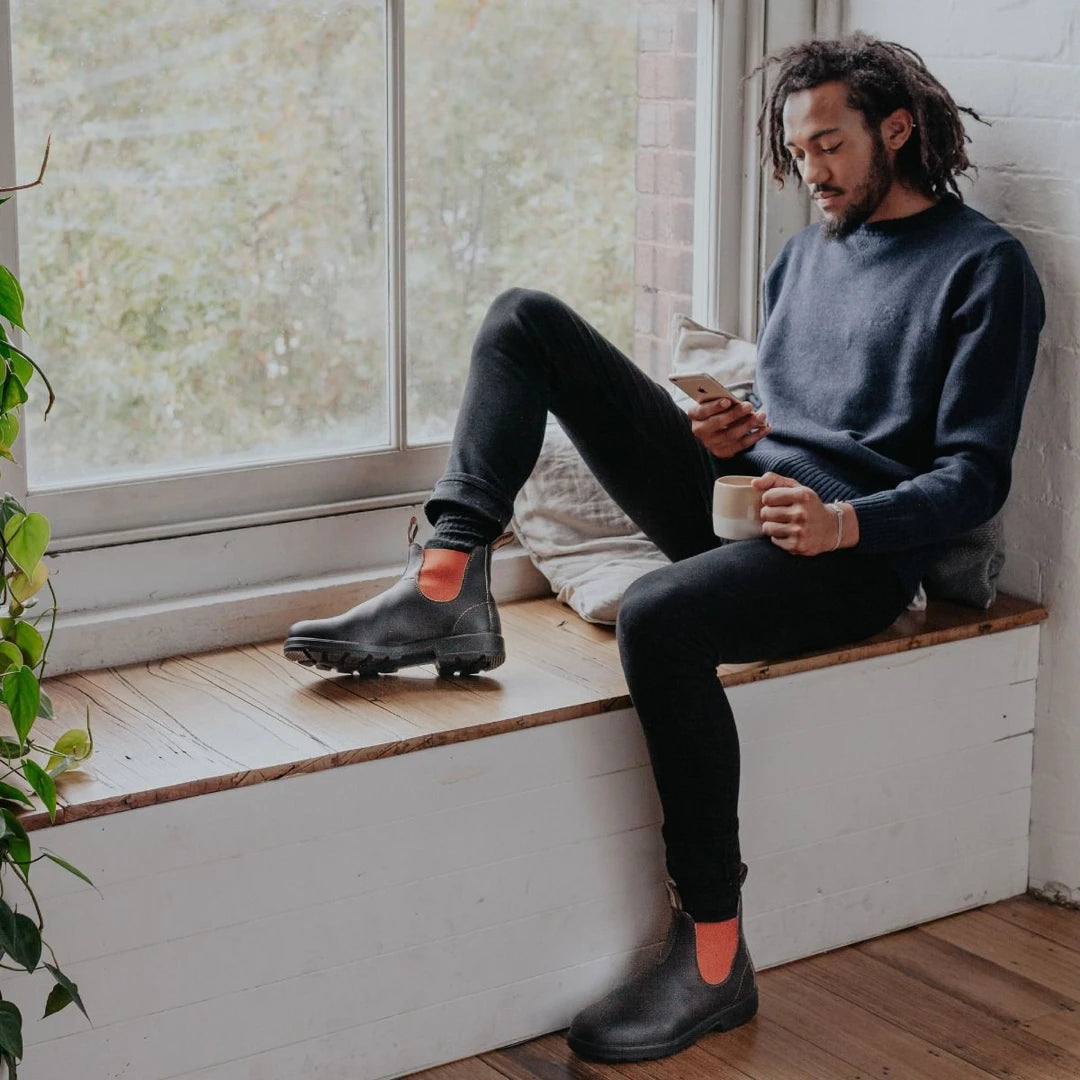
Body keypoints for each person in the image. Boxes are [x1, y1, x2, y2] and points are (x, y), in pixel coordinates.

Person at [285, 32, 1044, 1064]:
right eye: (798, 152)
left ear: (896, 131)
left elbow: (974, 475)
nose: (811, 173)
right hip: (751, 508)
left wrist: (845, 523)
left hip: (852, 557)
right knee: (525, 320)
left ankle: (716, 956)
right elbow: (793, 421)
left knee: (659, 615)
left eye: (830, 147)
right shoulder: (803, 254)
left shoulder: (984, 268)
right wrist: (739, 432)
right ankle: (446, 579)